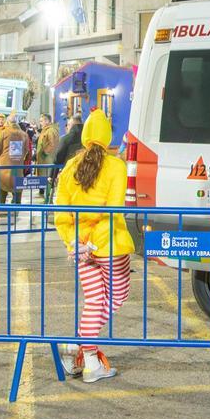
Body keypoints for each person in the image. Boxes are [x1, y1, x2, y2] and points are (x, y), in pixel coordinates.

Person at [54, 109, 134, 383]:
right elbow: (114, 210)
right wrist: (95, 240)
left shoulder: (69, 168)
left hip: (79, 246)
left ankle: (87, 359)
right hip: (109, 245)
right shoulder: (116, 166)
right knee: (117, 296)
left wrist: (74, 241)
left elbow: (61, 213)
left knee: (94, 300)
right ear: (107, 135)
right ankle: (80, 348)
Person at [0, 117, 31, 216]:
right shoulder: (24, 134)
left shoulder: (3, 133)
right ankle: (17, 208)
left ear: (8, 123)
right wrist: (20, 157)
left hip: (4, 167)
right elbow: (27, 149)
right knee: (17, 187)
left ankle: (1, 208)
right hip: (17, 167)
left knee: (2, 188)